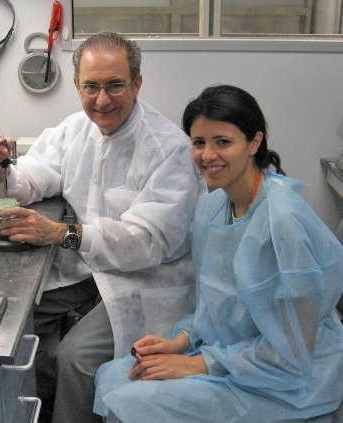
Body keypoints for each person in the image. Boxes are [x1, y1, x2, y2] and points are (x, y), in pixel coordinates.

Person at [0, 32, 206, 423]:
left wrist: (60, 233)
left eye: (116, 85)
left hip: (145, 280)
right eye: (92, 87)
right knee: (13, 314)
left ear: (137, 83)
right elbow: (37, 175)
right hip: (90, 268)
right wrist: (1, 167)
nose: (102, 100)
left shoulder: (168, 148)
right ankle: (35, 401)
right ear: (76, 86)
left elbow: (147, 241)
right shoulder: (75, 129)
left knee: (75, 357)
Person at [94, 84, 343, 423]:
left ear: (254, 142)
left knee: (137, 401)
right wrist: (182, 341)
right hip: (233, 352)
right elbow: (215, 306)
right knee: (113, 375)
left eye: (223, 142)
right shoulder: (212, 207)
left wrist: (197, 364)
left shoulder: (283, 221)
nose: (208, 155)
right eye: (198, 142)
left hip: (288, 378)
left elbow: (291, 353)